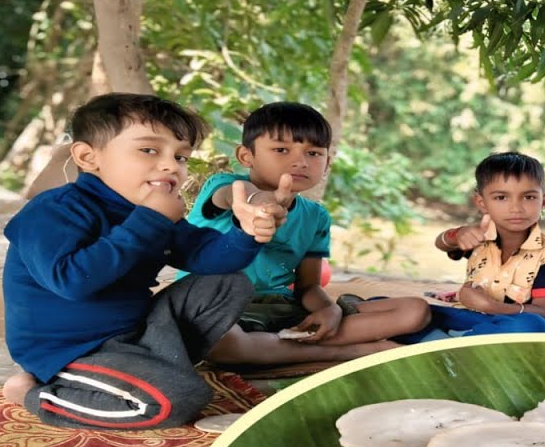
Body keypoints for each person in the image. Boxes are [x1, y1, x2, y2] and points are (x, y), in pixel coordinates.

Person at [1, 93, 280, 429]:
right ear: (88, 157)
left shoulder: (153, 211)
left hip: (135, 331)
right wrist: (150, 220)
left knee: (230, 283)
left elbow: (209, 257)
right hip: (70, 349)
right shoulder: (53, 211)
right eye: (149, 150)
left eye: (181, 156)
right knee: (176, 400)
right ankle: (31, 393)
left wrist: (247, 232)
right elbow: (73, 281)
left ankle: (151, 364)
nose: (170, 165)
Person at [181, 102, 430, 366]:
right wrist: (263, 204)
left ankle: (279, 344)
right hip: (216, 308)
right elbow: (242, 196)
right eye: (281, 150)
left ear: (327, 163)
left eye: (313, 153)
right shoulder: (225, 187)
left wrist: (327, 309)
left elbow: (308, 286)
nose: (300, 162)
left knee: (415, 312)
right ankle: (349, 351)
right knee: (222, 344)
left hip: (281, 309)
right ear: (246, 156)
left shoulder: (316, 216)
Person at [429, 152, 545, 336]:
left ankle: (449, 342)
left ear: (544, 201)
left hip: (507, 322)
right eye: (501, 197)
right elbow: (442, 244)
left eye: (528, 197)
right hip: (466, 316)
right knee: (413, 310)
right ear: (482, 203)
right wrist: (457, 235)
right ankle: (457, 339)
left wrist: (491, 306)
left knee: (535, 326)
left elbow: (543, 311)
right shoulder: (479, 236)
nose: (516, 208)